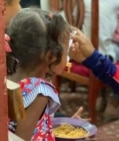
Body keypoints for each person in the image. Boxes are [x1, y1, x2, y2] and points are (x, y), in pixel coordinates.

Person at [6, 8, 72, 140]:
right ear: (51, 56)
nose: (68, 56)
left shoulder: (8, 74)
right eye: (67, 51)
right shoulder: (39, 91)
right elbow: (20, 139)